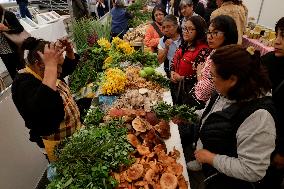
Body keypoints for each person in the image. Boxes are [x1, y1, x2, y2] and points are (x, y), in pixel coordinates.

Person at [191, 44, 277, 189]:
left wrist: (211, 158)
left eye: (213, 76)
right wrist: (188, 115)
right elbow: (211, 116)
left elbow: (252, 170)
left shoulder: (259, 117)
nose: (211, 80)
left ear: (232, 80)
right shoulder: (226, 92)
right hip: (214, 172)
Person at [11, 37, 82, 162]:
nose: (60, 70)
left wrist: (69, 52)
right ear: (39, 64)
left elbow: (66, 68)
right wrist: (51, 68)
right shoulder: (23, 84)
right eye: (57, 66)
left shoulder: (46, 72)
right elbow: (44, 106)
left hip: (75, 137)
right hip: (57, 144)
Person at [260, 17, 284, 189]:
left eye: (283, 36)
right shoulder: (268, 60)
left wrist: (282, 152)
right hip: (260, 132)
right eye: (276, 34)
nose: (276, 41)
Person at [194, 15, 238, 103]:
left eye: (215, 33)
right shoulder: (216, 51)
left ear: (227, 34)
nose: (209, 37)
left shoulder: (222, 58)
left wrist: (199, 72)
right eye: (209, 32)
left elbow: (204, 91)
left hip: (204, 102)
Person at [170, 15, 210, 106]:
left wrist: (181, 78)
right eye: (184, 28)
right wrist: (172, 71)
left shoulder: (204, 51)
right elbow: (174, 59)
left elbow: (201, 78)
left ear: (199, 31)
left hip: (189, 94)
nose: (185, 32)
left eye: (190, 29)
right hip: (177, 88)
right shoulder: (185, 44)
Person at [0, 5, 25, 80]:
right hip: (2, 52)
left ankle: (28, 88)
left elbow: (20, 28)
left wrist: (6, 29)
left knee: (22, 70)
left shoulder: (8, 15)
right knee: (12, 73)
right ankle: (17, 89)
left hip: (14, 49)